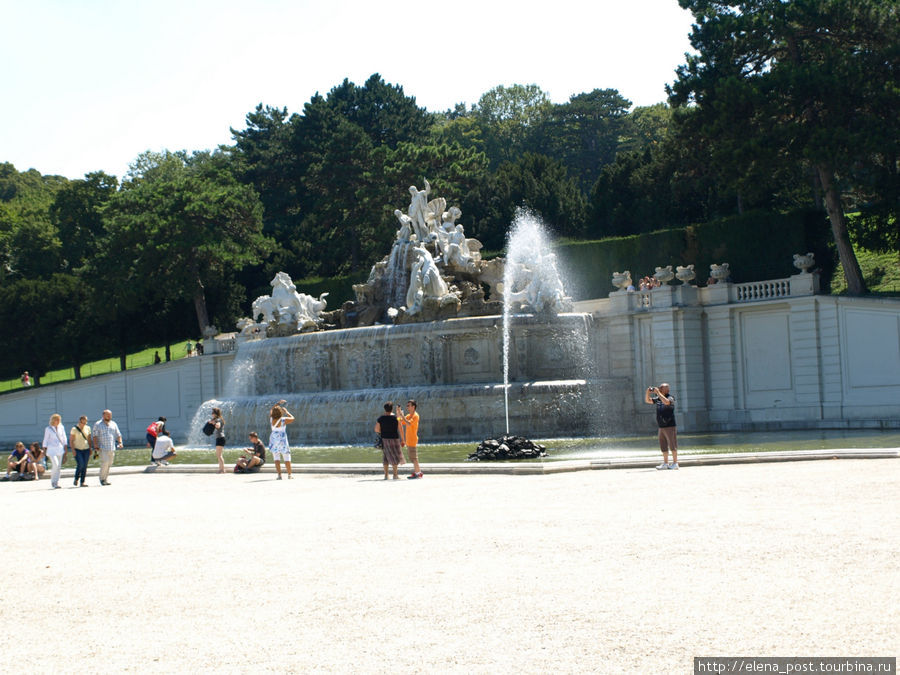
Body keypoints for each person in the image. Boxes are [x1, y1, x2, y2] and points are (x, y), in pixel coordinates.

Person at [644, 383, 678, 470]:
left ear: (666, 390)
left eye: (661, 388)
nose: (659, 388)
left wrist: (658, 393)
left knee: (672, 445)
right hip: (661, 426)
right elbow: (648, 401)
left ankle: (675, 463)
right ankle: (666, 463)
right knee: (663, 445)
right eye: (659, 387)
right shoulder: (658, 398)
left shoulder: (671, 397)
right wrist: (647, 392)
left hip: (670, 426)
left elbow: (666, 402)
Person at [92, 409, 123, 486]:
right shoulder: (98, 424)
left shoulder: (113, 424)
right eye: (107, 415)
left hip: (112, 448)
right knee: (105, 462)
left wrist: (120, 442)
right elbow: (95, 435)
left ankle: (105, 479)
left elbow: (118, 434)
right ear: (103, 415)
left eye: (110, 415)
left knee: (109, 463)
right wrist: (95, 445)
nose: (109, 416)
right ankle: (102, 479)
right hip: (102, 448)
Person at [375, 402, 403, 480]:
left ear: (385, 409)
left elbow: (376, 429)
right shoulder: (395, 418)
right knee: (395, 456)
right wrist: (403, 439)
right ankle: (395, 475)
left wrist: (382, 431)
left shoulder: (381, 418)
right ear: (392, 409)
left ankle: (386, 475)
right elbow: (400, 427)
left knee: (386, 457)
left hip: (385, 439)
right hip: (394, 438)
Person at [397, 399, 423, 479]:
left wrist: (402, 415)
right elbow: (401, 421)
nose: (407, 407)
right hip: (409, 440)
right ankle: (417, 472)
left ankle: (418, 473)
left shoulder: (416, 416)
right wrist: (398, 414)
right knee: (412, 458)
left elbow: (408, 423)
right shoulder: (408, 415)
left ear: (413, 406)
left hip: (412, 440)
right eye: (407, 405)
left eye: (409, 405)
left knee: (414, 458)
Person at [269, 400, 295, 480]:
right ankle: (289, 475)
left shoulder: (271, 419)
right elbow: (293, 418)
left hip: (274, 440)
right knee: (286, 457)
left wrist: (277, 403)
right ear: (281, 412)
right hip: (282, 441)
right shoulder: (283, 420)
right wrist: (287, 412)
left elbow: (271, 410)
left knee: (276, 458)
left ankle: (279, 475)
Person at [42, 413, 68, 489]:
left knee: (59, 466)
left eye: (59, 420)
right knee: (55, 464)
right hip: (51, 449)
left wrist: (65, 447)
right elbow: (45, 439)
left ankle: (56, 482)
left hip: (60, 449)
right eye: (57, 420)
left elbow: (64, 437)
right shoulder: (48, 429)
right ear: (53, 420)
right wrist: (44, 449)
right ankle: (53, 481)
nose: (58, 421)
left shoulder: (61, 427)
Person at [69, 415, 92, 487]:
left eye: (86, 422)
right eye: (83, 422)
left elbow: (89, 439)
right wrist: (73, 450)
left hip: (86, 449)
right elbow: (71, 440)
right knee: (81, 464)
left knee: (85, 465)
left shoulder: (88, 428)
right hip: (77, 449)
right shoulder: (74, 429)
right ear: (80, 421)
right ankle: (76, 479)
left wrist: (90, 448)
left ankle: (82, 482)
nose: (85, 423)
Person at [209, 408, 226, 474]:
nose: (212, 414)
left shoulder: (218, 420)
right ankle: (221, 469)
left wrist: (213, 423)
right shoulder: (217, 419)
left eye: (213, 413)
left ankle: (222, 470)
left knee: (219, 455)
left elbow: (218, 426)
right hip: (219, 438)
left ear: (216, 414)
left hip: (220, 438)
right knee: (219, 455)